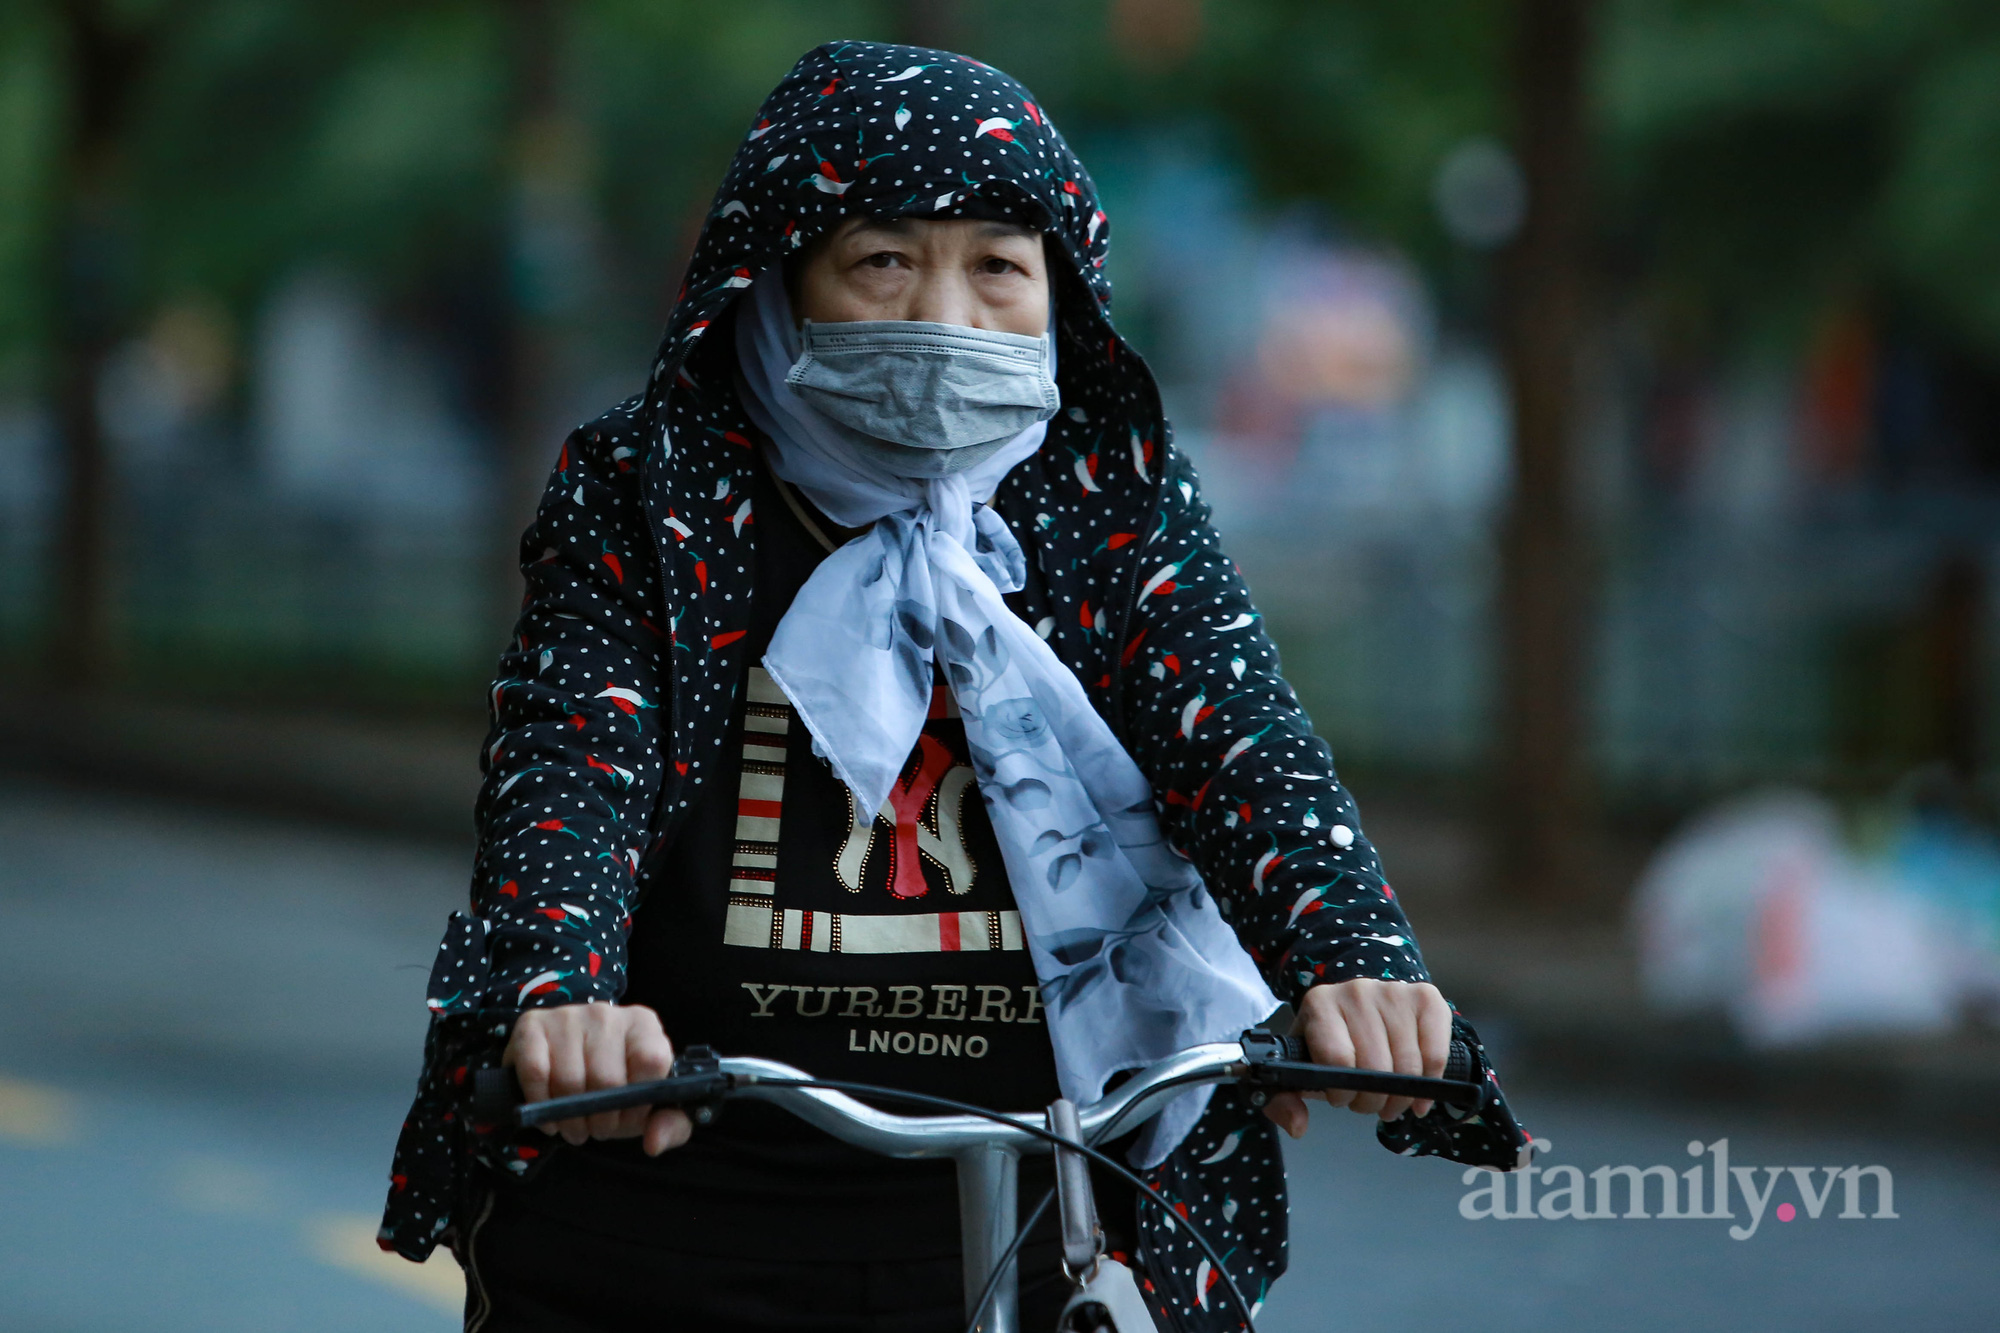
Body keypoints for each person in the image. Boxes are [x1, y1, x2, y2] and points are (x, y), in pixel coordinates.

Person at [379, 41, 1528, 1333]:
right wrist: (561, 995)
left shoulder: (1108, 503)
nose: (945, 316)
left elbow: (1246, 741)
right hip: (669, 1223)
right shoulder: (650, 493)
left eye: (997, 266)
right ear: (778, 281)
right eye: (883, 263)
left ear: (1065, 291)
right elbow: (571, 760)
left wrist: (1357, 963)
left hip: (1043, 1226)